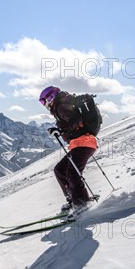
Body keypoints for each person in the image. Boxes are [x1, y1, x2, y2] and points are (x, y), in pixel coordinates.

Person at [39, 86, 98, 216]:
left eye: (44, 101)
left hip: (84, 143)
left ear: (50, 97)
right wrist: (59, 129)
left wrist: (60, 130)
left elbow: (75, 120)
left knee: (73, 175)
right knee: (60, 170)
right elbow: (71, 122)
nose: (45, 105)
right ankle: (73, 200)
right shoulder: (62, 106)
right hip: (80, 144)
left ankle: (82, 205)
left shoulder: (62, 106)